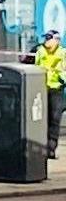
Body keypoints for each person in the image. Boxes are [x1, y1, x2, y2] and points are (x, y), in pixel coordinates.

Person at [40, 29, 66, 160]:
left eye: (49, 38)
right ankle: (40, 146)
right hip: (41, 88)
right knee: (41, 118)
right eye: (46, 38)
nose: (46, 41)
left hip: (57, 89)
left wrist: (62, 78)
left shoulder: (63, 53)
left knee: (54, 118)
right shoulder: (39, 51)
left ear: (56, 40)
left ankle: (51, 147)